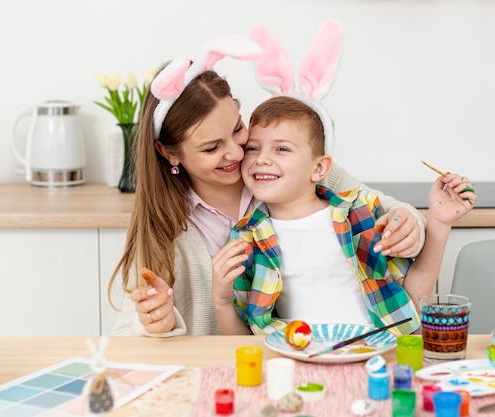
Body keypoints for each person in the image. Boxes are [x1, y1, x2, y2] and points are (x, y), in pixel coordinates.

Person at [109, 33, 427, 337]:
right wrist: (156, 324)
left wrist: (409, 224)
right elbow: (125, 335)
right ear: (169, 152)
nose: (236, 153)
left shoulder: (299, 173)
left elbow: (389, 209)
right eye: (211, 148)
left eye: (237, 129)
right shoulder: (165, 226)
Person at [211, 95, 476, 336]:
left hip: (381, 356)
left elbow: (413, 298)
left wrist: (439, 224)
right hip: (304, 362)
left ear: (319, 168)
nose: (262, 159)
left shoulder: (360, 212)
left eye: (281, 149)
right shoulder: (245, 238)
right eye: (253, 148)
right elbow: (245, 342)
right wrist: (221, 302)